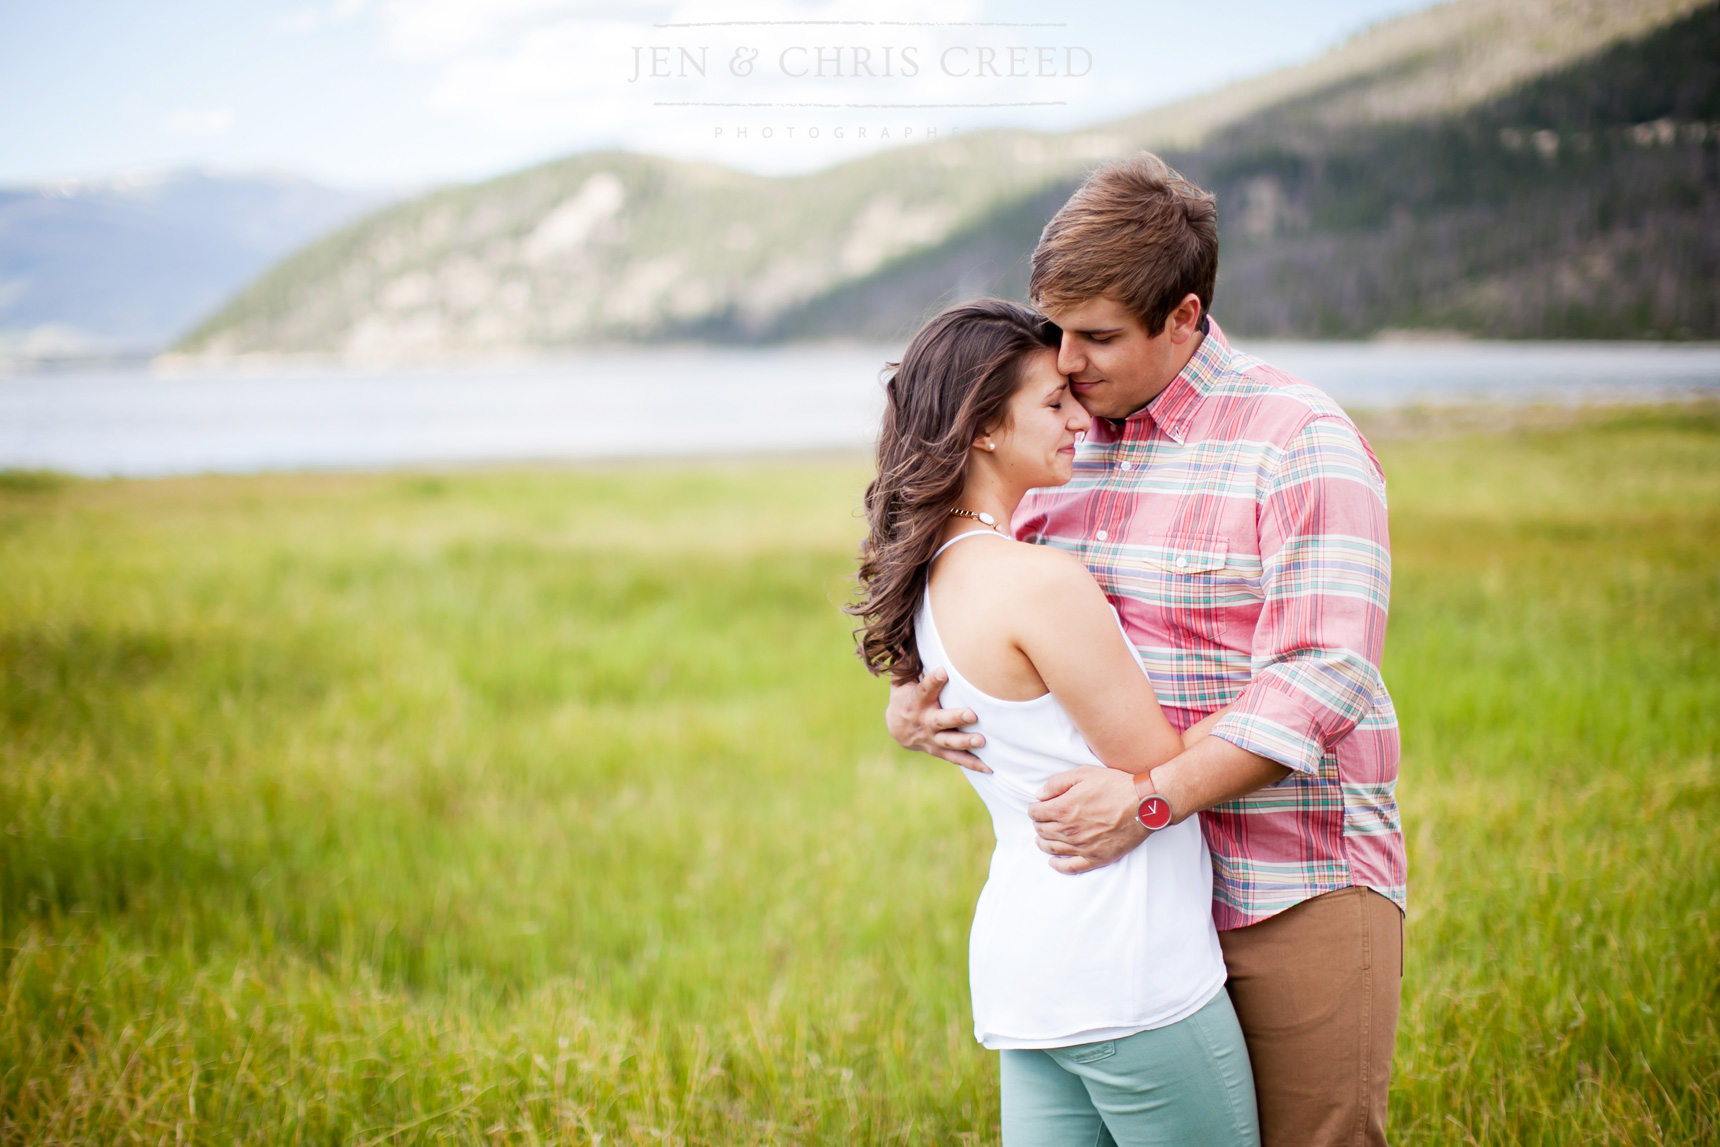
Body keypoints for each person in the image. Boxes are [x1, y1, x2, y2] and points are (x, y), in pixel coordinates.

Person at [886, 153, 1406, 1147]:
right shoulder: (1061, 449)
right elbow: (997, 617)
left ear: (1183, 316)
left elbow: (1320, 679)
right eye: (1056, 332)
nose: (1067, 363)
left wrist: (1150, 798)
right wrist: (918, 703)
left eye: (1096, 337)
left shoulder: (1297, 441)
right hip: (1126, 902)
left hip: (1287, 879)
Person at [851, 298, 1261, 1146]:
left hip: (1029, 974)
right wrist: (1289, 690)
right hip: (1128, 966)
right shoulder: (1039, 581)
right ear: (984, 429)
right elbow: (1152, 763)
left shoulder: (931, 577)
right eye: (1052, 403)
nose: (1082, 417)